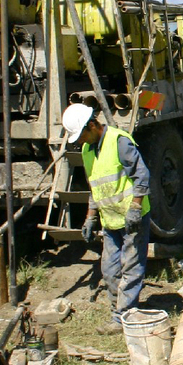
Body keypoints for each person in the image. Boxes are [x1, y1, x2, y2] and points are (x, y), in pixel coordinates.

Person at [62, 103, 151, 335]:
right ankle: (119, 310)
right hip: (110, 220)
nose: (80, 141)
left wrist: (135, 208)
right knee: (110, 270)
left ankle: (123, 316)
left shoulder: (119, 141)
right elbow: (95, 186)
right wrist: (90, 218)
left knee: (131, 268)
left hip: (133, 219)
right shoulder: (87, 150)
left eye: (81, 136)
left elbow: (142, 175)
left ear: (92, 125)